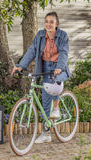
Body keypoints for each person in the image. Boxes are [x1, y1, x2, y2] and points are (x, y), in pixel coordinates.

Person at [11, 11, 71, 143]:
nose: (48, 24)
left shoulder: (62, 36)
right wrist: (20, 66)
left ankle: (56, 108)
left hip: (57, 67)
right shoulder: (39, 36)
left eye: (51, 22)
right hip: (45, 67)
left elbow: (64, 52)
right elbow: (31, 51)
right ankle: (46, 133)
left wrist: (60, 67)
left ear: (56, 23)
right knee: (44, 101)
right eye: (46, 21)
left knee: (55, 85)